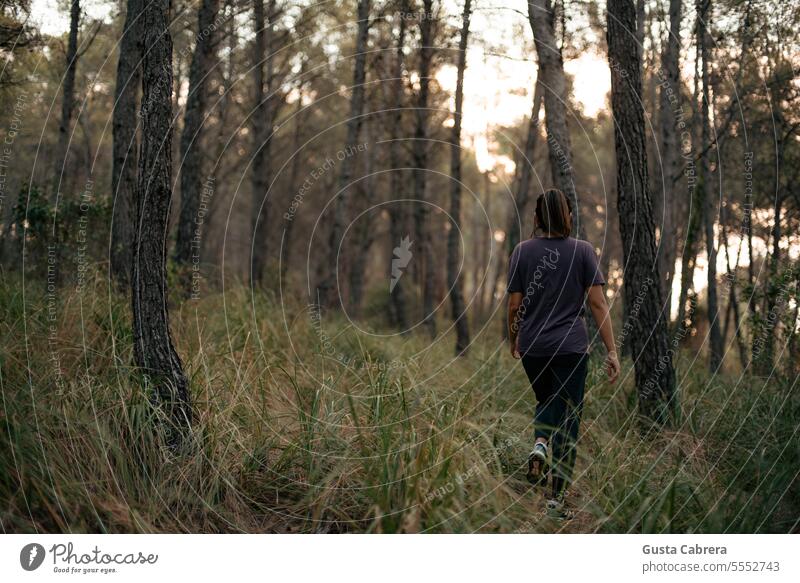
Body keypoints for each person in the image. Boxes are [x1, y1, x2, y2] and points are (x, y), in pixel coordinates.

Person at [507, 188, 619, 521]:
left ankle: (540, 440)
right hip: (570, 347)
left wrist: (515, 338)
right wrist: (612, 350)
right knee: (568, 422)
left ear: (538, 218)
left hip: (533, 348)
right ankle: (555, 503)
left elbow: (514, 304)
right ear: (568, 216)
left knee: (547, 401)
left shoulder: (522, 251)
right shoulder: (583, 251)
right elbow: (598, 304)